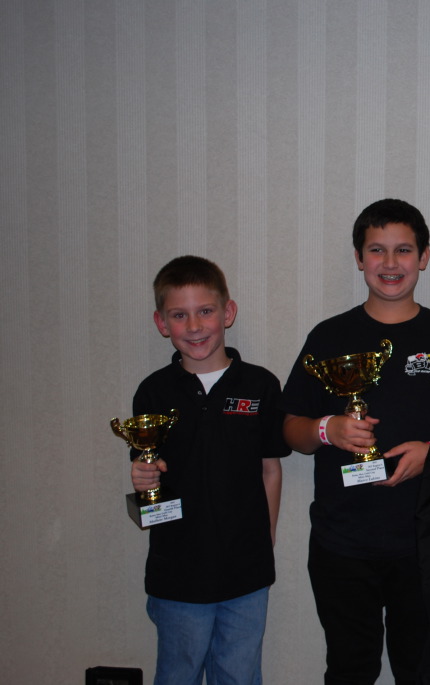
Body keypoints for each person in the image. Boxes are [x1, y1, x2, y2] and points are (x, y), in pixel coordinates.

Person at [280, 198, 430, 685]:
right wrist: (328, 429)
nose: (390, 263)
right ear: (359, 258)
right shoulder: (329, 336)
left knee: (423, 670)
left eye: (403, 250)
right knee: (350, 669)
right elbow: (290, 429)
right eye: (376, 250)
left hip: (426, 543)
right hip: (342, 543)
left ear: (424, 256)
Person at [129, 255, 288, 685]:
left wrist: (266, 538)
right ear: (162, 323)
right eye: (179, 315)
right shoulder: (153, 393)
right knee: (178, 673)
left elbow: (270, 470)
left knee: (239, 674)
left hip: (246, 570)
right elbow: (146, 472)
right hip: (178, 571)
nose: (195, 326)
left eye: (205, 311)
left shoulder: (260, 386)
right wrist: (142, 478)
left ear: (227, 312)